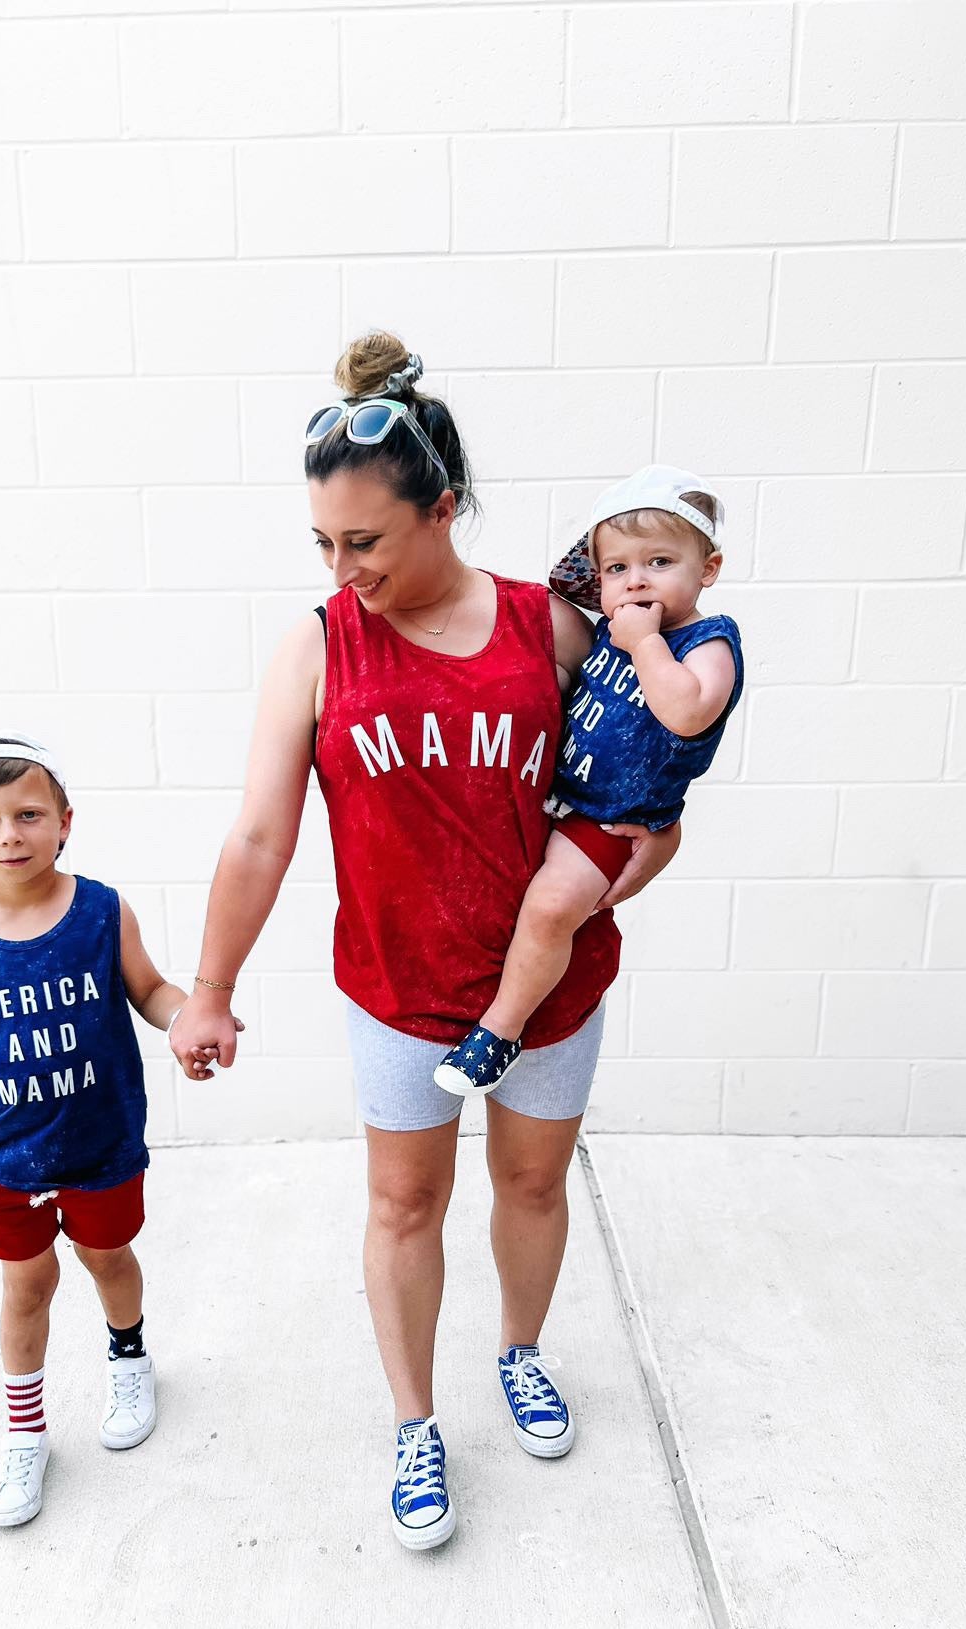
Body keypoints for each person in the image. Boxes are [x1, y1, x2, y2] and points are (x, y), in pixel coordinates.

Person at [169, 332, 680, 1551]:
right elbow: (260, 838)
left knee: (532, 1183)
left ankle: (520, 1351)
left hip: (546, 989)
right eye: (322, 544)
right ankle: (413, 1421)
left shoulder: (547, 630)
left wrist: (644, 856)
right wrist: (209, 988)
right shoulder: (318, 646)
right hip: (398, 991)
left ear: (442, 509)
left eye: (366, 541)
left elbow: (646, 778)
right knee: (404, 1203)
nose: (342, 569)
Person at [0, 732, 191, 1529]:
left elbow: (151, 989)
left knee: (107, 1259)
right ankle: (25, 1433)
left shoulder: (101, 910)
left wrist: (189, 1018)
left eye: (29, 814)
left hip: (100, 1147)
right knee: (26, 1287)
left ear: (65, 822)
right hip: (1, 1162)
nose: (11, 834)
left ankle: (130, 1356)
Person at [434, 466, 744, 1096]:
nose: (636, 580)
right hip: (557, 794)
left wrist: (645, 644)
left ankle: (500, 1030)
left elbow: (687, 712)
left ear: (707, 570)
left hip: (609, 817)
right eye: (616, 568)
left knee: (550, 909)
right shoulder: (608, 631)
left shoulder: (707, 643)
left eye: (659, 562)